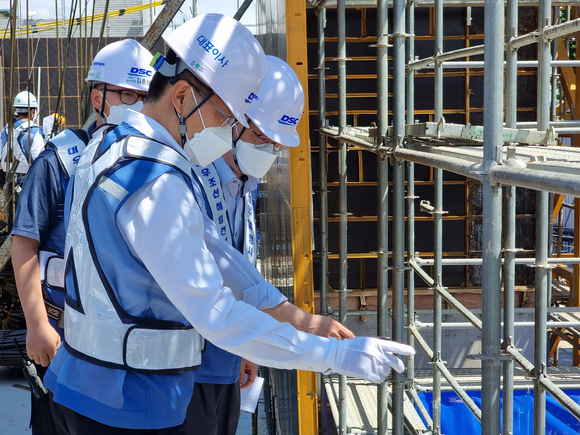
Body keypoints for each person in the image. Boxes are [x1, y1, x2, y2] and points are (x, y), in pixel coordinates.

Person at [44, 14, 414, 434]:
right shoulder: (157, 180)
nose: (229, 130)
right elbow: (216, 312)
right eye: (225, 116)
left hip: (88, 386)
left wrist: (304, 324)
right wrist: (332, 357)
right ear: (181, 96)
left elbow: (223, 263)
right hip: (130, 404)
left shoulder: (109, 147)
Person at [11, 39, 153, 435]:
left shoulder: (151, 164)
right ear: (98, 97)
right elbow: (25, 244)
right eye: (129, 94)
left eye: (145, 95)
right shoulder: (60, 160)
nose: (139, 103)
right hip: (63, 334)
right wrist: (37, 323)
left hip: (127, 340)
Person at [187, 55, 309, 435]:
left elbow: (241, 264)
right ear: (233, 121)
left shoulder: (245, 183)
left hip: (226, 357)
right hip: (187, 368)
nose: (268, 150)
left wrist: (245, 348)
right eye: (261, 137)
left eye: (275, 144)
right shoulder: (191, 175)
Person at [0, 91, 45, 177]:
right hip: (26, 181)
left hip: (7, 180)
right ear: (32, 111)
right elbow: (40, 162)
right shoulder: (35, 132)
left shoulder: (6, 130)